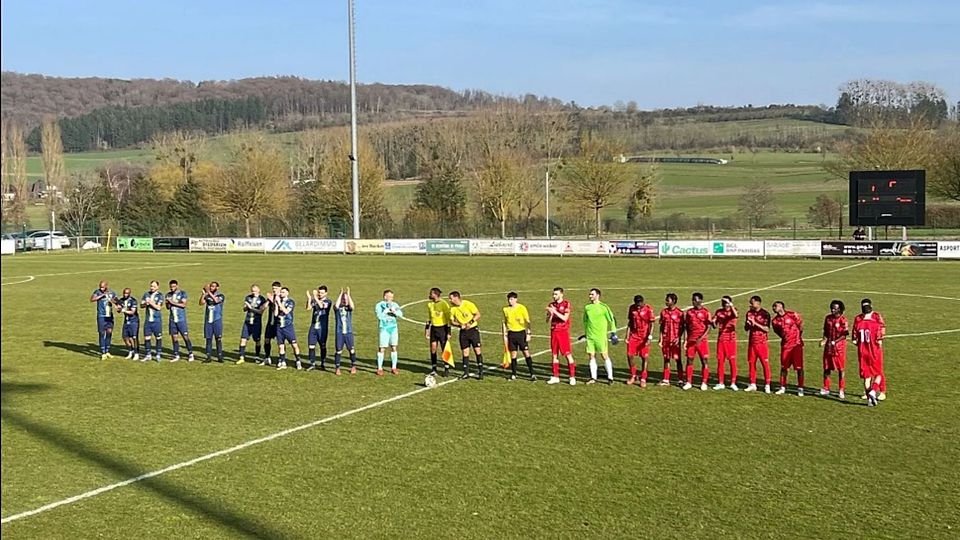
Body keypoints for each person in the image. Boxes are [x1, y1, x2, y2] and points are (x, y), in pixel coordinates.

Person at [853, 298, 886, 407]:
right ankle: (873, 391)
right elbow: (880, 338)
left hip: (862, 352)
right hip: (874, 351)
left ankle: (870, 399)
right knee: (878, 373)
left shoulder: (859, 323)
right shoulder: (875, 324)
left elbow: (854, 339)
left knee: (867, 377)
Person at [582, 288, 617, 385]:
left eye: (592, 294)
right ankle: (593, 377)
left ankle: (610, 377)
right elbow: (585, 321)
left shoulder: (604, 307)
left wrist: (613, 333)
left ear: (598, 295)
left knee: (604, 355)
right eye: (589, 294)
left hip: (601, 337)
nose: (590, 296)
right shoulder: (587, 307)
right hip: (590, 337)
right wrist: (586, 332)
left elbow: (612, 320)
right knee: (591, 356)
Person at [771, 301, 804, 396]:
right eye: (773, 307)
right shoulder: (775, 321)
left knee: (799, 368)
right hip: (785, 346)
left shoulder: (792, 314)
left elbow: (800, 325)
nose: (773, 308)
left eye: (775, 306)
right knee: (784, 367)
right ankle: (782, 387)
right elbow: (777, 331)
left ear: (781, 306)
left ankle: (800, 387)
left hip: (796, 345)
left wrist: (798, 337)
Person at [449, 291, 484, 380]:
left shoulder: (468, 304)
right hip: (463, 332)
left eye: (451, 298)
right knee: (465, 352)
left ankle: (480, 372)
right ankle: (466, 373)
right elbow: (451, 321)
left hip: (473, 330)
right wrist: (459, 325)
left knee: (477, 351)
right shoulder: (453, 309)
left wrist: (470, 323)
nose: (450, 300)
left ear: (456, 298)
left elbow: (478, 314)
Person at [545, 287, 577, 385]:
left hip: (563, 332)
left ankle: (572, 377)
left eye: (556, 294)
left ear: (561, 294)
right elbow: (547, 321)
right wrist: (550, 314)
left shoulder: (566, 304)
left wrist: (554, 311)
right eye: (553, 294)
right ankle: (555, 376)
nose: (554, 296)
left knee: (568, 354)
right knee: (554, 355)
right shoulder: (551, 305)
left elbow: (564, 318)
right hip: (554, 332)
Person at [682, 292, 713, 391]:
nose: (693, 301)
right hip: (691, 340)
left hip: (702, 341)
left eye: (695, 300)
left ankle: (704, 382)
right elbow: (686, 327)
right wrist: (685, 340)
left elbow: (709, 327)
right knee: (689, 360)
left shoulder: (706, 312)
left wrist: (701, 338)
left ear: (700, 300)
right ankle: (688, 382)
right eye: (692, 299)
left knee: (704, 361)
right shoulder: (689, 312)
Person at [502, 292, 535, 381]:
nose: (510, 301)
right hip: (511, 334)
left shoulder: (522, 308)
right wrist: (504, 334)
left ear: (516, 299)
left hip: (521, 333)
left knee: (526, 353)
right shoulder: (505, 309)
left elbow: (527, 321)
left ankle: (532, 373)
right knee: (513, 355)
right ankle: (514, 374)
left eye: (512, 299)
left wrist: (528, 333)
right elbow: (504, 322)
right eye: (509, 299)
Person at [820, 300, 849, 399]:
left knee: (841, 369)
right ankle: (826, 387)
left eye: (835, 308)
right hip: (828, 347)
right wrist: (824, 340)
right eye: (831, 308)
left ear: (839, 309)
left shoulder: (843, 320)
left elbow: (844, 334)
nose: (832, 310)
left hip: (839, 348)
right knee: (826, 367)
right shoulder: (828, 318)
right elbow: (826, 331)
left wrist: (835, 342)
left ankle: (841, 389)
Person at [743, 296, 772, 393]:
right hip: (752, 342)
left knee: (765, 364)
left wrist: (755, 323)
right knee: (751, 363)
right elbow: (746, 328)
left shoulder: (765, 314)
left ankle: (767, 385)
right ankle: (752, 384)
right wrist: (748, 324)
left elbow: (767, 329)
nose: (750, 304)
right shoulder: (749, 313)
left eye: (752, 303)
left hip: (762, 343)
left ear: (758, 303)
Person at [625, 294, 655, 387]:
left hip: (644, 337)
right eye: (636, 303)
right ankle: (633, 375)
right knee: (630, 355)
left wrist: (649, 336)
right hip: (634, 336)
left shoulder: (648, 309)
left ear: (642, 302)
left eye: (639, 303)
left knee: (644, 357)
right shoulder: (632, 308)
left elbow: (652, 324)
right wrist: (627, 335)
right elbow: (630, 322)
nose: (638, 305)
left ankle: (643, 377)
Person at [713, 296, 739, 391]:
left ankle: (733, 382)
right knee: (720, 361)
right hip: (721, 339)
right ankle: (720, 382)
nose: (724, 304)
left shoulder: (733, 310)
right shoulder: (718, 312)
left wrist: (731, 305)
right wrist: (713, 322)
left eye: (726, 302)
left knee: (732, 361)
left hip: (730, 340)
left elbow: (735, 315)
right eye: (723, 302)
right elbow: (714, 325)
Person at [375, 289, 404, 375]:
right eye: (389, 296)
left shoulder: (395, 305)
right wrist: (385, 311)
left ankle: (394, 367)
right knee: (382, 348)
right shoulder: (379, 305)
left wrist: (395, 312)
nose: (391, 298)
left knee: (394, 347)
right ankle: (380, 368)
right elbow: (379, 316)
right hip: (384, 328)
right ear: (385, 297)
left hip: (393, 328)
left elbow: (401, 314)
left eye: (392, 297)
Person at [425, 287, 452, 377]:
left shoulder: (444, 304)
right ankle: (434, 368)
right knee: (433, 348)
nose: (430, 295)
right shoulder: (430, 305)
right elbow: (429, 318)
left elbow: (448, 319)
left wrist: (449, 332)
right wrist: (427, 329)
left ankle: (446, 368)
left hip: (442, 329)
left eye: (431, 293)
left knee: (444, 349)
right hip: (434, 329)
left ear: (436, 294)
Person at [165, 279, 194, 362]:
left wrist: (172, 302)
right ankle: (176, 354)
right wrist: (167, 303)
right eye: (171, 287)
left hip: (181, 319)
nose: (172, 288)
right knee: (174, 338)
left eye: (174, 286)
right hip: (172, 319)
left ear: (177, 286)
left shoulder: (182, 294)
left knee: (185, 337)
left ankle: (190, 353)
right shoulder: (168, 295)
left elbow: (183, 305)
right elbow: (168, 308)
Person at [658, 293, 684, 386]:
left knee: (678, 359)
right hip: (666, 340)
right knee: (666, 359)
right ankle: (666, 379)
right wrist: (660, 339)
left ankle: (680, 379)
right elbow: (661, 326)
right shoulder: (663, 312)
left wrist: (679, 337)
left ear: (673, 301)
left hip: (675, 341)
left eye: (667, 300)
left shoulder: (680, 313)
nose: (666, 302)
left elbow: (682, 328)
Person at [238, 284, 267, 365]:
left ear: (258, 290)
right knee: (243, 339)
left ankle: (257, 357)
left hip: (256, 323)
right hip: (247, 322)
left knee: (257, 340)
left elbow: (261, 312)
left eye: (255, 291)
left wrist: (251, 308)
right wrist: (246, 307)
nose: (253, 292)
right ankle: (241, 357)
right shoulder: (248, 297)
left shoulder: (262, 299)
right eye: (252, 291)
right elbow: (244, 309)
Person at [274, 287, 302, 370]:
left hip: (288, 326)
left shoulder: (290, 302)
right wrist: (276, 304)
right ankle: (282, 361)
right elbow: (275, 314)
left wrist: (279, 302)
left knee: (294, 345)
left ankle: (298, 360)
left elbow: (286, 311)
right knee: (281, 346)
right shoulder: (279, 302)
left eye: (283, 292)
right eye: (281, 292)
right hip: (279, 326)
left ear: (287, 293)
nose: (281, 294)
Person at [306, 285, 333, 370]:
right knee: (311, 346)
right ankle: (312, 363)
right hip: (313, 326)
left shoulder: (328, 301)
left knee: (323, 346)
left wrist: (315, 297)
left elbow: (322, 306)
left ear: (326, 293)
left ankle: (323, 363)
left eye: (322, 293)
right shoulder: (315, 300)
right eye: (319, 292)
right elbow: (308, 308)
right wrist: (309, 298)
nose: (320, 294)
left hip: (322, 328)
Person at [90, 280, 118, 360]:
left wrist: (116, 304)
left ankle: (107, 350)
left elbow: (115, 300)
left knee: (109, 332)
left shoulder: (112, 292)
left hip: (109, 316)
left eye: (103, 287)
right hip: (101, 316)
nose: (101, 288)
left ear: (106, 286)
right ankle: (103, 352)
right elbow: (92, 299)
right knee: (102, 333)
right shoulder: (97, 292)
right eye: (100, 287)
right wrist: (102, 295)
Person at [333, 287, 357, 375]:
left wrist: (349, 295)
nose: (345, 300)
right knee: (339, 351)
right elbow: (336, 305)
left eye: (346, 299)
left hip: (349, 332)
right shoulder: (337, 309)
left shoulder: (349, 309)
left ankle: (353, 366)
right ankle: (337, 368)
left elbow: (353, 306)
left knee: (351, 350)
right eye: (344, 299)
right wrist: (340, 294)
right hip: (339, 333)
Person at [199, 281, 225, 363]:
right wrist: (203, 294)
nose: (211, 288)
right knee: (208, 339)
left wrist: (208, 292)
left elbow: (216, 301)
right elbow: (201, 303)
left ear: (217, 287)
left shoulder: (221, 295)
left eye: (213, 286)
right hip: (208, 320)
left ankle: (220, 356)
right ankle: (208, 356)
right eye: (210, 286)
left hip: (217, 320)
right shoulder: (207, 295)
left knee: (218, 339)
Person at [259, 281, 282, 366]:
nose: (274, 290)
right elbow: (263, 308)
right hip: (270, 322)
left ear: (280, 288)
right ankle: (267, 357)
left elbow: (279, 307)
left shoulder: (281, 297)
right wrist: (268, 300)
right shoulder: (271, 297)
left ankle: (281, 359)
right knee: (266, 340)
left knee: (280, 342)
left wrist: (272, 300)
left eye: (276, 288)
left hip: (279, 323)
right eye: (273, 288)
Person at [141, 281, 164, 362]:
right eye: (151, 286)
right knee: (147, 338)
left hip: (157, 321)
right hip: (148, 321)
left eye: (154, 286)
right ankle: (148, 354)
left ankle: (158, 354)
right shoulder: (146, 294)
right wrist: (145, 304)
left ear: (157, 287)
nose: (152, 288)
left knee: (158, 338)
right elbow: (141, 305)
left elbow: (158, 308)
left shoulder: (160, 295)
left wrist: (150, 302)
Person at [118, 287, 140, 361]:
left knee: (134, 337)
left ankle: (136, 353)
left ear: (129, 293)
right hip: (126, 321)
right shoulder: (121, 300)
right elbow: (119, 309)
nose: (125, 294)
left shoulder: (133, 301)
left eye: (127, 293)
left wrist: (123, 310)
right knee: (125, 337)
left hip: (134, 321)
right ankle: (130, 351)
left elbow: (132, 312)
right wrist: (118, 308)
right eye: (124, 293)